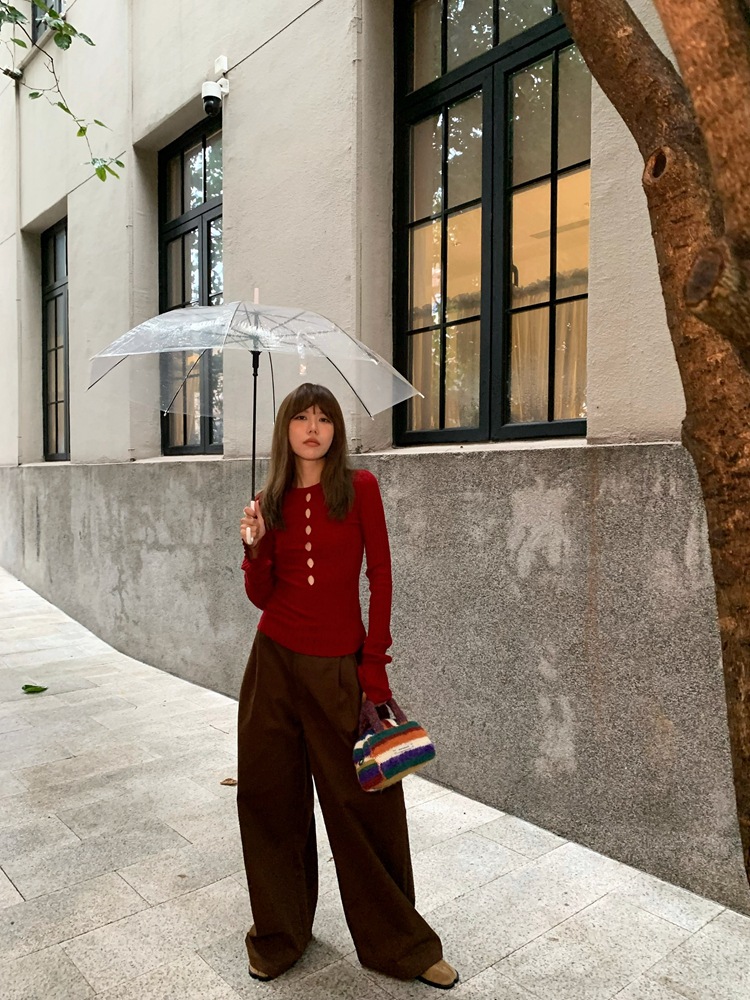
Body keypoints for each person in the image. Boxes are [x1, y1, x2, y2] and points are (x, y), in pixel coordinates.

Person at [236, 382, 458, 989]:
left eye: (324, 418)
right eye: (301, 418)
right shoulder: (268, 500)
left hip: (338, 667)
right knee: (269, 799)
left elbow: (380, 576)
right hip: (272, 665)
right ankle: (280, 935)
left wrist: (373, 665)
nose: (312, 428)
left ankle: (401, 944)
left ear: (335, 430)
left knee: (367, 805)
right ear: (285, 430)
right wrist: (254, 548)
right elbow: (262, 595)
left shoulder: (360, 489)